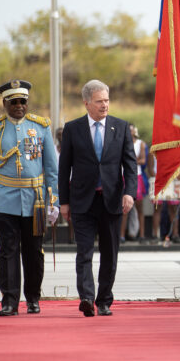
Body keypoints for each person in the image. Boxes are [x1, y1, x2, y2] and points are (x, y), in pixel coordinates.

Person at [0, 80, 59, 316]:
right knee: (7, 250)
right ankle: (10, 301)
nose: (19, 106)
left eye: (23, 101)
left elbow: (52, 169)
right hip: (6, 199)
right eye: (14, 102)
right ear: (5, 103)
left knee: (34, 251)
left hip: (36, 200)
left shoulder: (41, 127)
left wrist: (53, 200)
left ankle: (33, 297)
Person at [58, 79, 137, 317]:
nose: (105, 105)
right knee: (84, 252)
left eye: (107, 100)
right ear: (87, 103)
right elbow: (64, 168)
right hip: (82, 201)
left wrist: (129, 193)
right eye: (99, 101)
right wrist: (64, 201)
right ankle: (86, 298)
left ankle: (104, 300)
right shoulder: (72, 129)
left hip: (111, 201)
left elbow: (130, 165)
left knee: (110, 253)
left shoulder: (121, 127)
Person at [120, 124, 146, 242]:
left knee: (139, 207)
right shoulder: (121, 142)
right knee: (124, 207)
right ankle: (122, 235)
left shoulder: (140, 143)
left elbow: (143, 160)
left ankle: (141, 234)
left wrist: (130, 160)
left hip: (137, 175)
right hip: (123, 175)